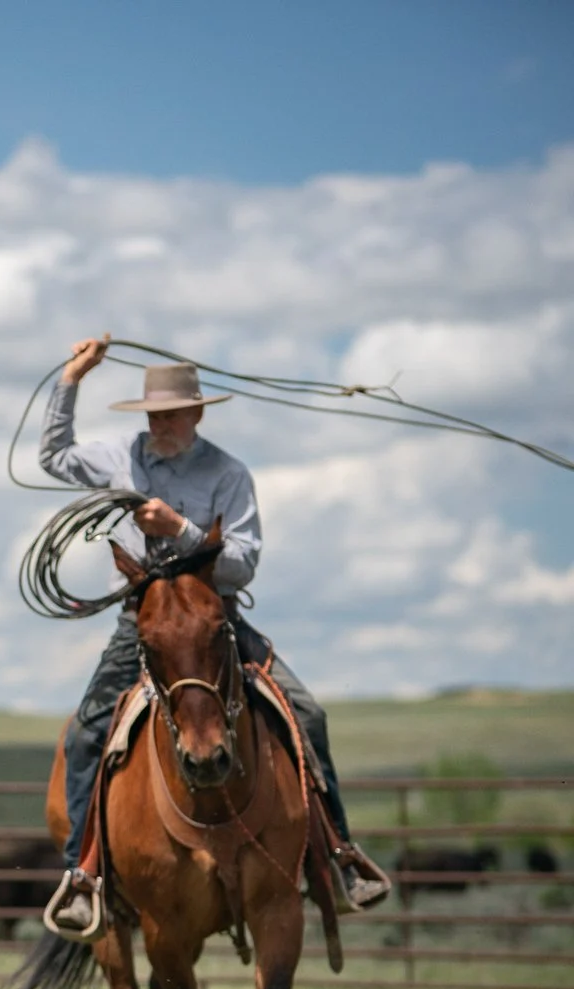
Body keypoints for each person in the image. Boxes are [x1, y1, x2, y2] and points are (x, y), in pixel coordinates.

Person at [39, 334, 392, 941]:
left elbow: (242, 564)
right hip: (145, 622)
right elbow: (54, 456)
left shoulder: (228, 475)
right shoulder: (123, 456)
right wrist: (70, 380)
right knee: (88, 732)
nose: (160, 423)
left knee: (306, 712)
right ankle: (84, 873)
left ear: (197, 413)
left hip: (213, 621)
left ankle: (341, 852)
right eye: (153, 414)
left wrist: (178, 527)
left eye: (171, 414)